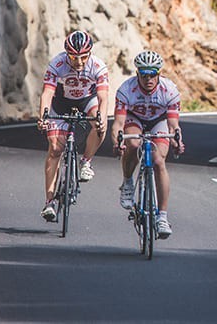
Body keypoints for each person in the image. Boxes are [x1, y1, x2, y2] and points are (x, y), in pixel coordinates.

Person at [110, 50, 185, 239]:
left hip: (158, 121)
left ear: (158, 74)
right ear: (138, 74)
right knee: (133, 144)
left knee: (158, 161)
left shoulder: (169, 90)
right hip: (134, 119)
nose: (148, 79)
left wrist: (177, 141)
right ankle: (127, 182)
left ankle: (162, 217)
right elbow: (118, 124)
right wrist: (118, 142)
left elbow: (174, 124)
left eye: (152, 74)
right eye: (144, 74)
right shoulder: (126, 90)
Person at [36, 30, 110, 222]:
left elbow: (103, 97)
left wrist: (101, 117)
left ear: (90, 53)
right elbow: (47, 94)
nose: (78, 62)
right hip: (60, 102)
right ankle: (50, 202)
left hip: (87, 100)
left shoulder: (98, 66)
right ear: (66, 54)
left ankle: (86, 162)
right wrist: (43, 116)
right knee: (55, 149)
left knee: (101, 123)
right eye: (74, 57)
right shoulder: (57, 64)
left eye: (83, 57)